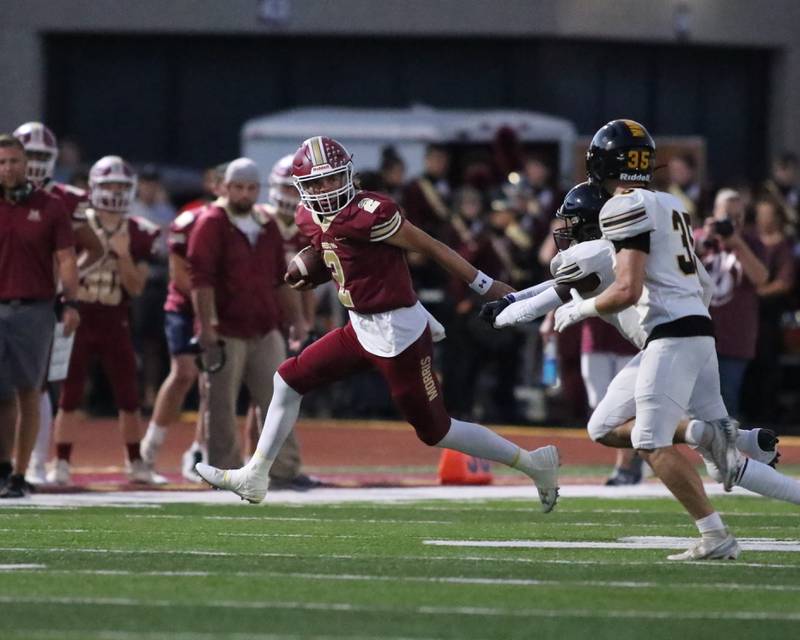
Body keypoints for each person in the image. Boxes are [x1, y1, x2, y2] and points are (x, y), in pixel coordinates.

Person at [195, 136, 561, 511]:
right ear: (302, 188)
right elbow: (340, 256)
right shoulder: (307, 216)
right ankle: (255, 475)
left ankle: (533, 463)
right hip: (359, 326)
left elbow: (430, 245)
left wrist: (485, 284)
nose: (326, 189)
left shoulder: (371, 212)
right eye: (317, 183)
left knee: (437, 431)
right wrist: (313, 270)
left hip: (396, 331)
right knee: (287, 380)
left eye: (333, 179)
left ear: (348, 176)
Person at [482, 181, 800, 507]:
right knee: (721, 464)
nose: (568, 230)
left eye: (574, 223)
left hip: (667, 343)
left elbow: (552, 296)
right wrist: (510, 298)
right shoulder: (649, 244)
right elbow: (703, 287)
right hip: (694, 335)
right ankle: (735, 438)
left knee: (648, 439)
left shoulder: (594, 252)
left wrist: (502, 316)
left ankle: (710, 501)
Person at [512, 121, 744, 560]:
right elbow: (706, 285)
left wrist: (576, 310)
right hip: (696, 328)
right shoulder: (669, 202)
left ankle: (715, 534)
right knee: (619, 429)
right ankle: (709, 438)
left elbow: (626, 290)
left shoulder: (620, 209)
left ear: (600, 163)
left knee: (651, 444)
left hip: (670, 334)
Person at [188, 158, 314, 489]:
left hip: (264, 326)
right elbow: (201, 281)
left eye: (250, 188)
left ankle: (284, 469)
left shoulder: (265, 224)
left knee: (280, 399)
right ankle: (223, 471)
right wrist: (207, 325)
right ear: (225, 187)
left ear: (259, 190)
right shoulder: (210, 223)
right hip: (226, 329)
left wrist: (297, 320)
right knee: (221, 407)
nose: (244, 194)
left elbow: (280, 280)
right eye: (238, 187)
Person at [49, 156, 164, 485]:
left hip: (116, 318)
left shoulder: (141, 231)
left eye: (121, 186)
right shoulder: (76, 223)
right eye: (108, 185)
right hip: (79, 315)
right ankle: (61, 462)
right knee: (70, 394)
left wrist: (124, 253)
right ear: (94, 188)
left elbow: (136, 287)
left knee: (128, 395)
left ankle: (136, 461)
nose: (114, 192)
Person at [12, 121, 104, 486]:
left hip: (40, 300)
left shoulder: (62, 200)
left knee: (36, 383)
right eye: (26, 155)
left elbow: (93, 248)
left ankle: (34, 460)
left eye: (39, 156)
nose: (32, 163)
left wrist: (66, 288)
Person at [0, 134, 80, 498]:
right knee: (1, 394)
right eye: (2, 162)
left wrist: (72, 301)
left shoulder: (49, 206)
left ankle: (20, 472)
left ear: (26, 164)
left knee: (29, 391)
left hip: (34, 307)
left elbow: (66, 257)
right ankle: (3, 465)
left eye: (14, 161)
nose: (8, 168)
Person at [139, 164, 227, 481]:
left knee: (212, 383)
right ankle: (148, 449)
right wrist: (208, 311)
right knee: (184, 374)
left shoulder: (244, 222)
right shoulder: (190, 218)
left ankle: (199, 451)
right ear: (212, 184)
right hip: (187, 307)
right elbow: (180, 277)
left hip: (222, 308)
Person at [694, 189, 768, 416]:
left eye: (738, 217)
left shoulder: (752, 243)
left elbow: (760, 278)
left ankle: (726, 450)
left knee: (726, 400)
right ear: (714, 214)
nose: (733, 222)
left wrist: (737, 244)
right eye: (727, 216)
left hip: (735, 338)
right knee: (692, 400)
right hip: (697, 334)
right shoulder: (697, 238)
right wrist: (704, 241)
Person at [741, 197, 797, 422]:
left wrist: (754, 295)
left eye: (768, 215)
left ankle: (765, 417)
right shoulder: (749, 241)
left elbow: (785, 282)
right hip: (744, 318)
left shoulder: (782, 246)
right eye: (760, 214)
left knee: (766, 366)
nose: (763, 219)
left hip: (767, 318)